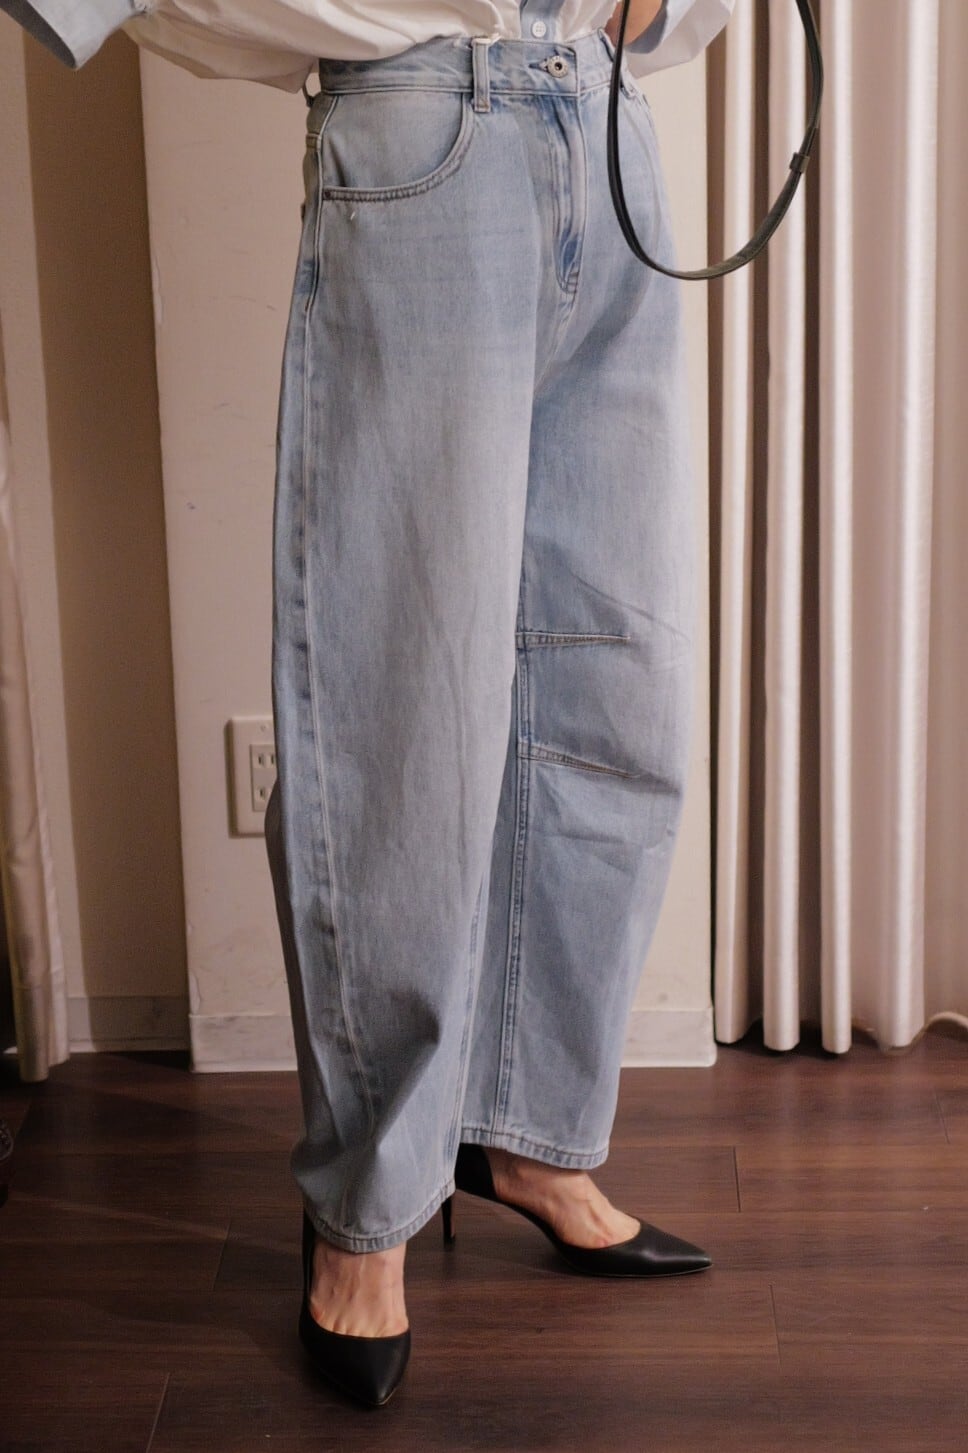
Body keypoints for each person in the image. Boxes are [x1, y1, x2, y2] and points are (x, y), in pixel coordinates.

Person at [2, 0, 735, 1408]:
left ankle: (529, 1134)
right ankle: (368, 1208)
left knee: (612, 683)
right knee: (401, 713)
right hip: (429, 133)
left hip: (606, 129)